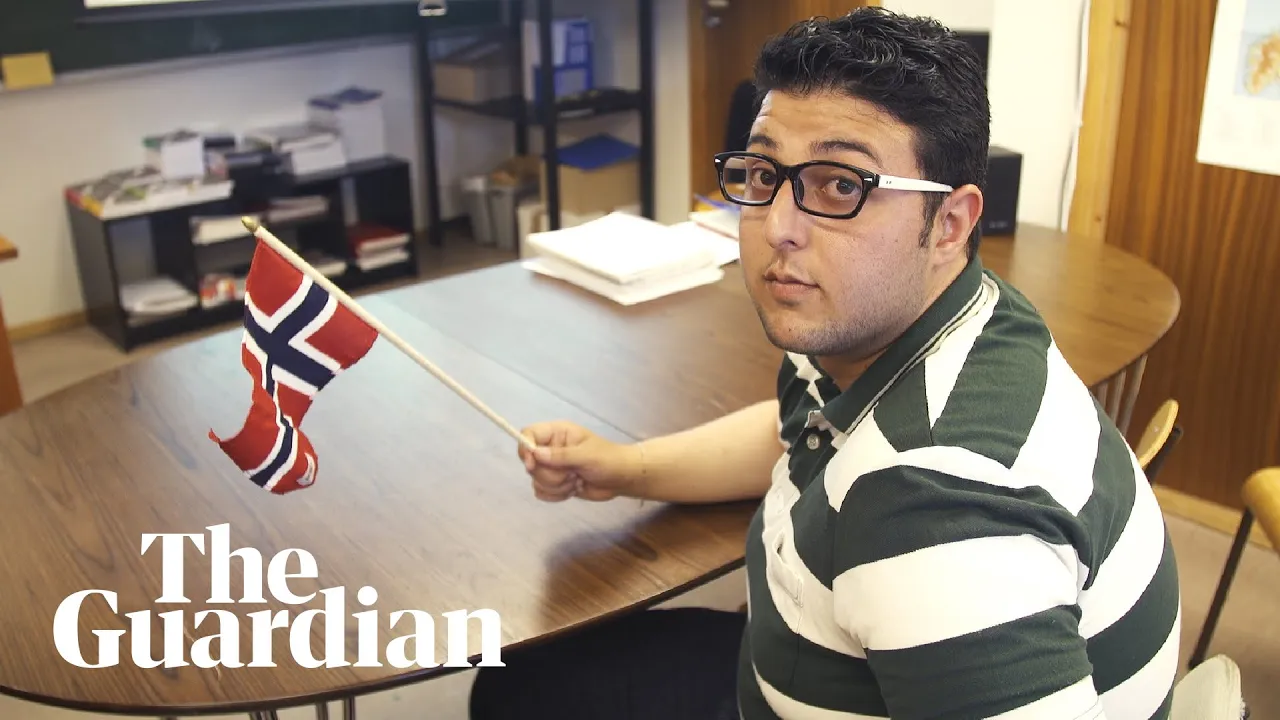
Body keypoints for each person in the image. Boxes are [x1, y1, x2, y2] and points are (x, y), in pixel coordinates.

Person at [470, 7, 1180, 719]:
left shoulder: (936, 512)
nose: (778, 227)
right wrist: (626, 467)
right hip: (812, 658)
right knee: (521, 681)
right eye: (763, 173)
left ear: (950, 224)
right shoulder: (933, 315)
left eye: (841, 185)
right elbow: (794, 431)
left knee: (513, 697)